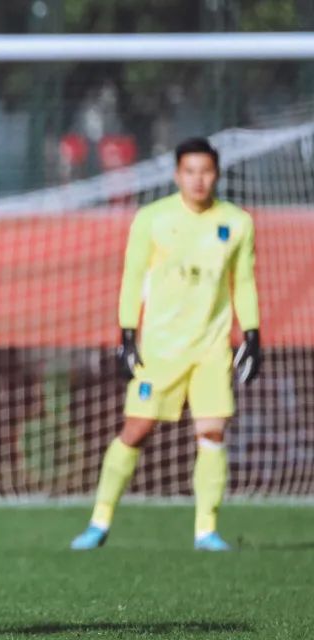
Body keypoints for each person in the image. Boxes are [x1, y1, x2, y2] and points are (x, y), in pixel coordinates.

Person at [70, 137, 262, 552]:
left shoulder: (237, 223)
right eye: (190, 171)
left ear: (217, 174)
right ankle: (99, 521)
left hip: (211, 349)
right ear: (177, 175)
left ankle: (206, 530)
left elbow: (243, 282)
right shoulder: (152, 219)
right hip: (159, 349)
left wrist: (252, 333)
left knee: (212, 433)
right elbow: (132, 277)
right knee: (135, 431)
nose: (198, 180)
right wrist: (126, 335)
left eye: (205, 171)